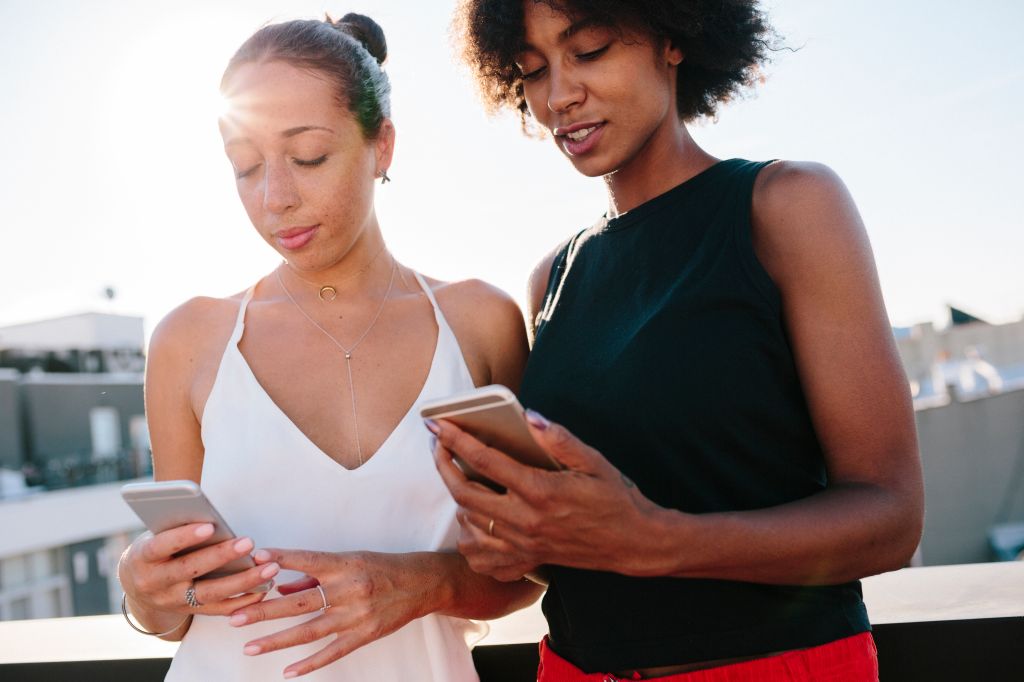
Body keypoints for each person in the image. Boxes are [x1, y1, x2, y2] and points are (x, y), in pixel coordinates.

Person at [431, 1, 925, 680]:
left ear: (673, 39)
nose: (558, 96)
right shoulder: (553, 275)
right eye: (532, 70)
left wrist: (657, 540)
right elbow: (594, 541)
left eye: (592, 50)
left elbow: (892, 518)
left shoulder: (785, 205)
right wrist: (522, 543)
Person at [117, 13, 541, 681]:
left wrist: (429, 582)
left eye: (308, 156)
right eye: (245, 167)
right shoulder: (190, 340)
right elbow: (178, 608)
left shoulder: (480, 322)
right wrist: (144, 592)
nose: (275, 198)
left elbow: (531, 565)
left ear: (383, 146)